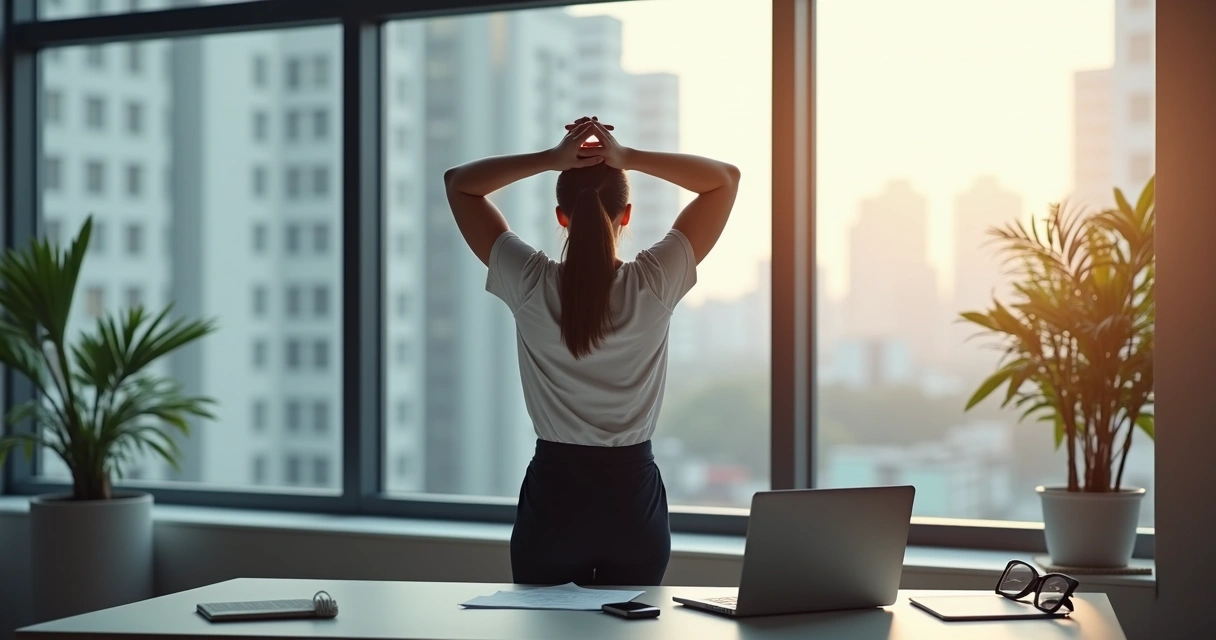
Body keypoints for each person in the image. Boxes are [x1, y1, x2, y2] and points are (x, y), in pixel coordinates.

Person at [443, 116, 740, 586]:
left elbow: (460, 185)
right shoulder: (653, 283)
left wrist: (551, 160)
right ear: (627, 215)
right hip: (633, 502)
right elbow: (724, 181)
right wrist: (629, 158)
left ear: (561, 216)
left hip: (555, 500)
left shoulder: (531, 283)